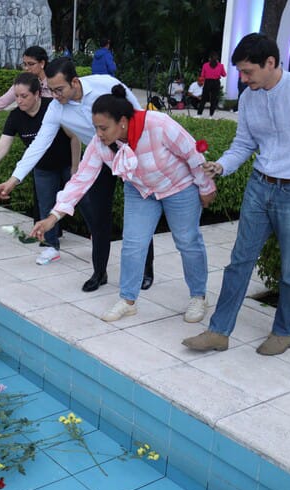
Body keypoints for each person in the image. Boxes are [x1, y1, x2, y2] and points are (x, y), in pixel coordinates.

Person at [182, 33, 290, 356]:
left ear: (270, 62)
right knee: (239, 262)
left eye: (248, 72)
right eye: (241, 73)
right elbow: (244, 143)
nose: (244, 80)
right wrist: (222, 165)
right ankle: (219, 331)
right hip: (259, 187)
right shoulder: (250, 98)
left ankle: (284, 332)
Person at [31, 86, 216, 322]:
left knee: (187, 241)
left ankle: (198, 296)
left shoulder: (158, 124)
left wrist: (206, 187)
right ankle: (128, 300)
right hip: (140, 190)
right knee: (132, 244)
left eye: (103, 128)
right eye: (96, 128)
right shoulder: (100, 143)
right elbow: (81, 179)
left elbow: (192, 155)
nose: (98, 134)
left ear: (122, 122)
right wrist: (53, 217)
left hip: (179, 187)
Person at [0, 58, 155, 292]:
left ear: (75, 82)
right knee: (98, 218)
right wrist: (13, 179)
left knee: (140, 214)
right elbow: (39, 144)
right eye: (51, 90)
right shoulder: (56, 109)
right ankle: (99, 272)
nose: (55, 96)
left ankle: (146, 270)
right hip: (98, 158)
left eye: (59, 90)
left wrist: (142, 152)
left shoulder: (104, 84)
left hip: (131, 155)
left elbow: (138, 115)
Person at [0, 73, 80, 265]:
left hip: (67, 164)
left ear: (37, 94)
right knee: (46, 207)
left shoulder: (52, 108)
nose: (19, 101)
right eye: (16, 96)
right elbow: (2, 147)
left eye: (24, 96)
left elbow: (74, 137)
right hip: (43, 168)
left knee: (83, 203)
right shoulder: (15, 117)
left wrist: (75, 168)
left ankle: (98, 237)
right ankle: (50, 247)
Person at [197, 52, 226, 117]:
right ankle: (211, 115)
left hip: (208, 82)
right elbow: (224, 74)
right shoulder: (220, 65)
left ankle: (199, 114)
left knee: (204, 98)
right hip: (216, 82)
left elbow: (202, 75)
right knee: (213, 99)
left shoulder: (205, 65)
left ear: (209, 58)